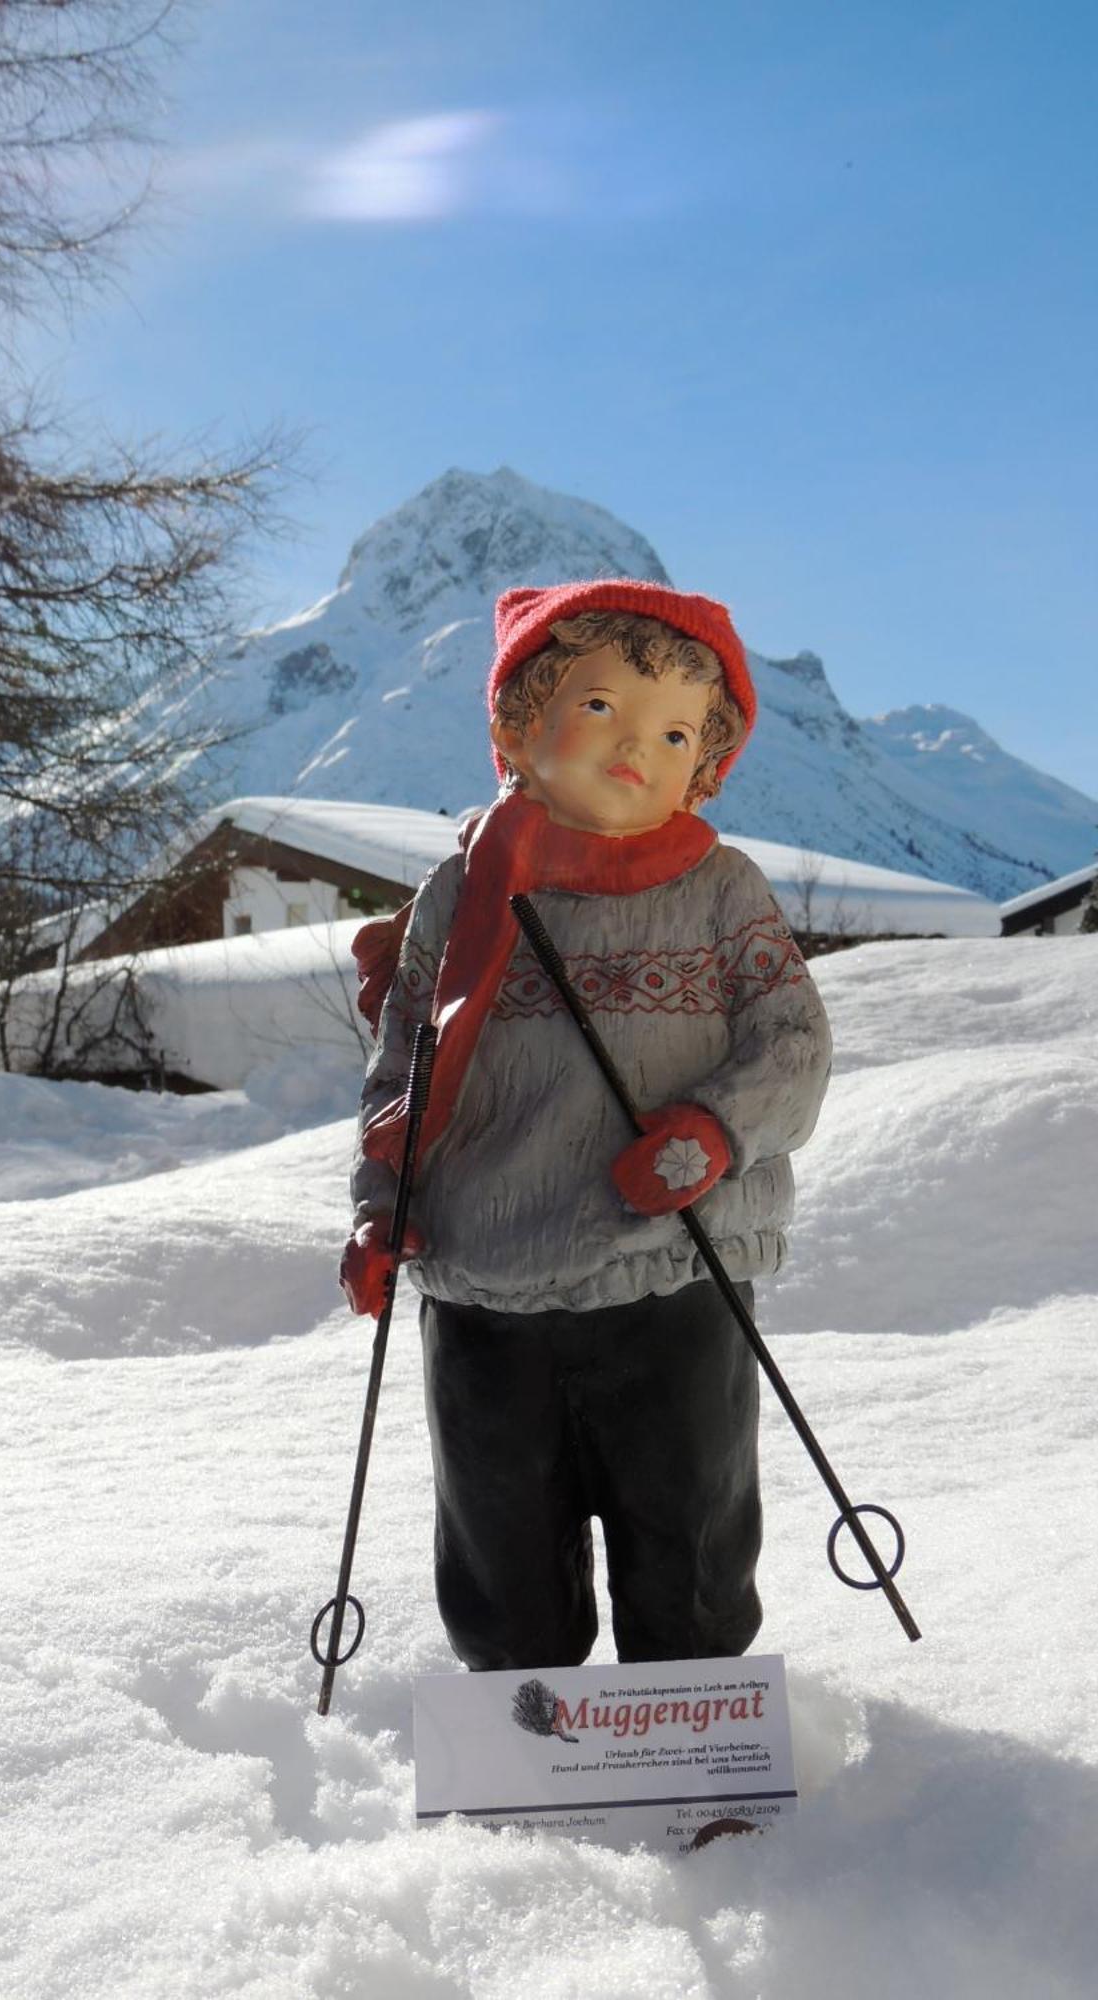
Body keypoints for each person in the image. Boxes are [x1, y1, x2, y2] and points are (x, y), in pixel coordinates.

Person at [341, 578, 833, 1670]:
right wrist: (384, 1214)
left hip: (672, 1279)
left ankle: (699, 1750)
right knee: (501, 1553)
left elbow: (794, 1045)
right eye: (603, 707)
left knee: (690, 1537)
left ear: (706, 759)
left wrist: (713, 1130)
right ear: (521, 723)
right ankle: (528, 1749)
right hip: (483, 1283)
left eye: (674, 730)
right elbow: (402, 1071)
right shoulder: (462, 891)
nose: (637, 748)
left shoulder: (720, 891)